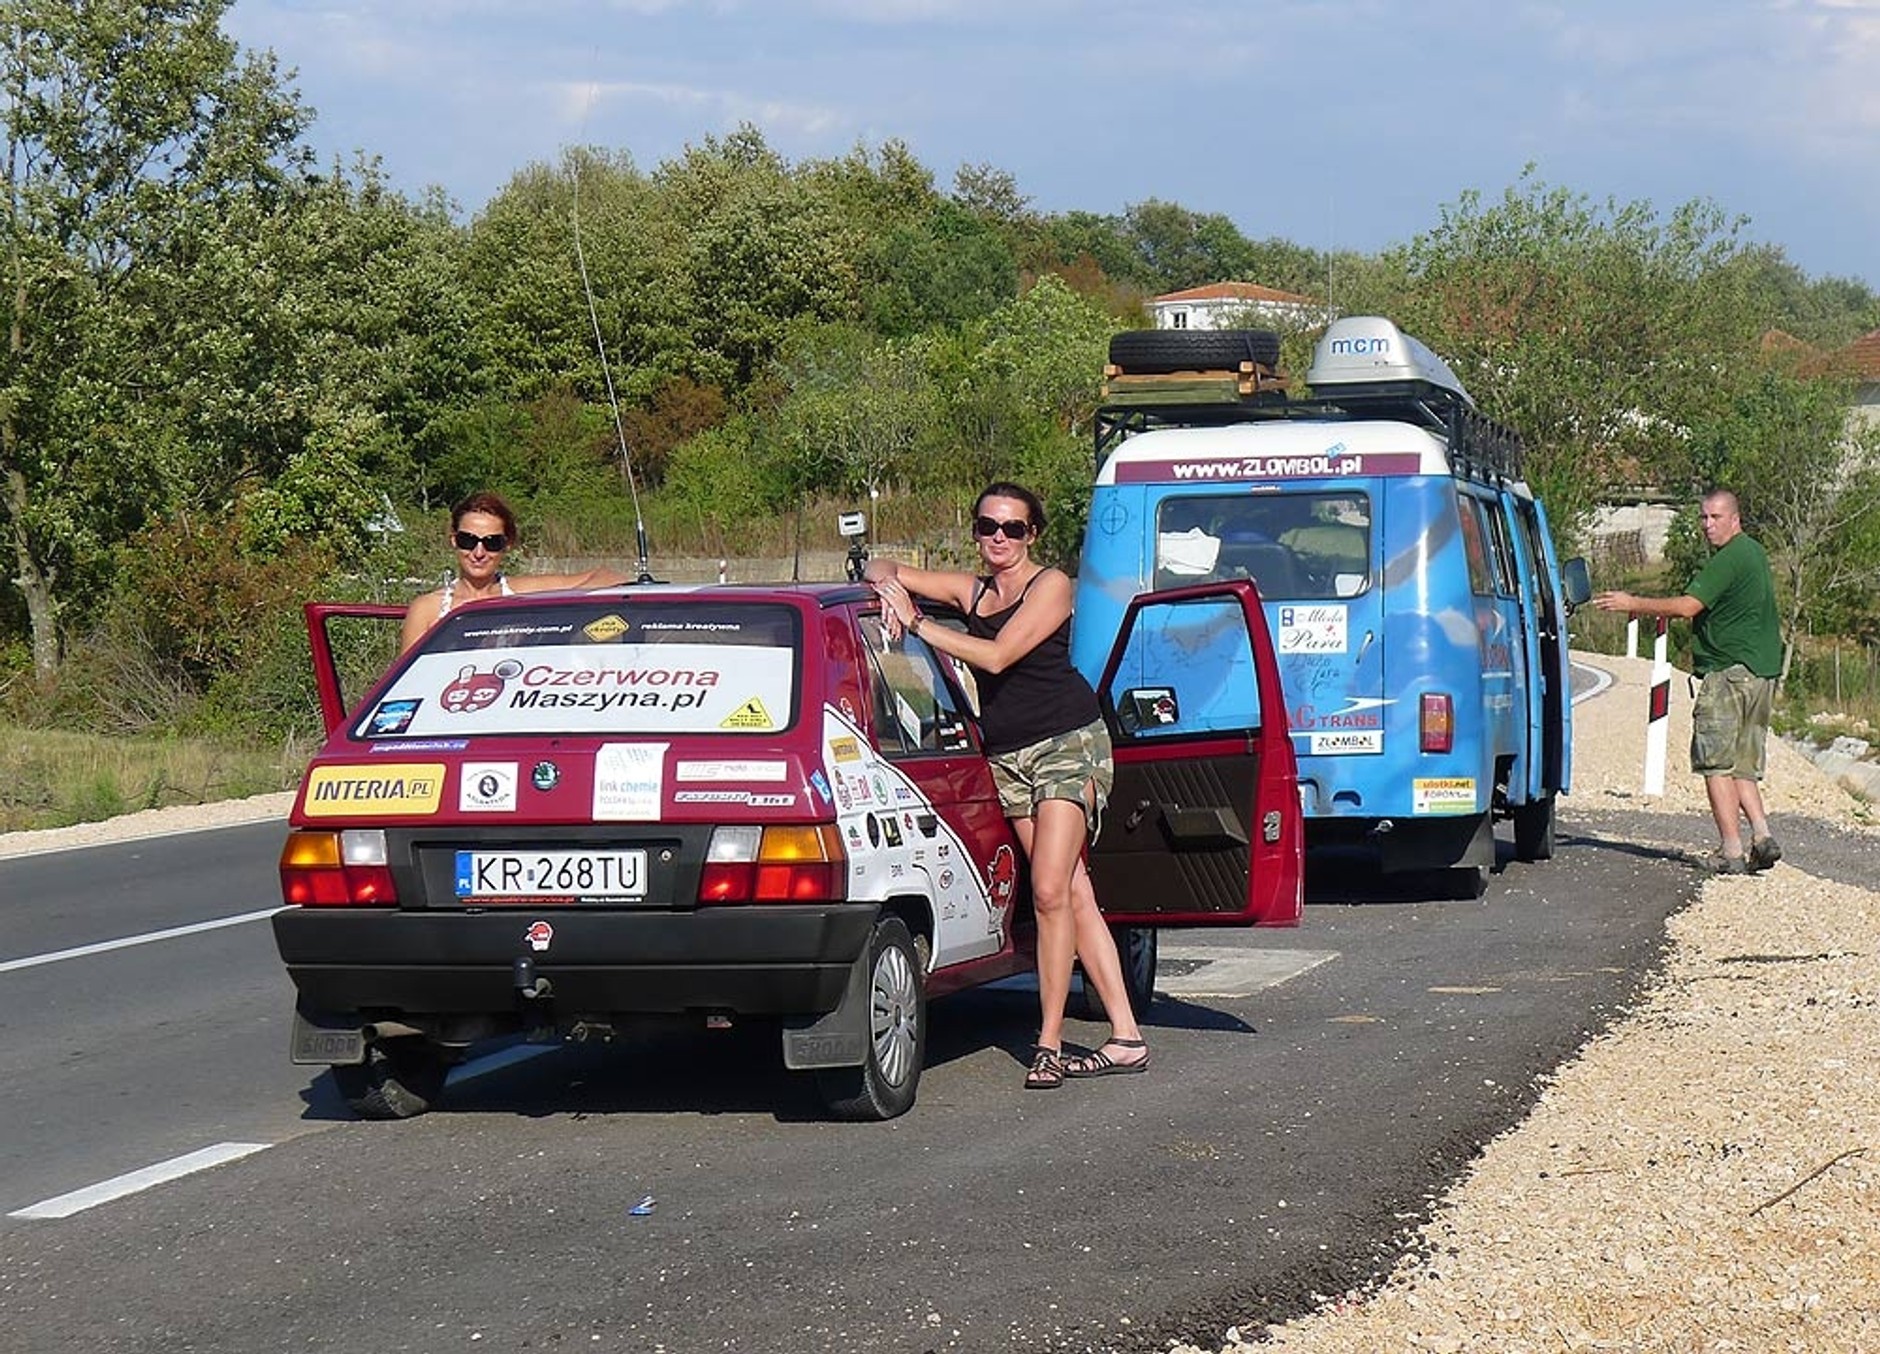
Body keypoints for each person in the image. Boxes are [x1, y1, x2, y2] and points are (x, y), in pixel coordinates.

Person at [865, 482, 1148, 1089]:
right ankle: (1126, 1036)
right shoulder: (971, 590)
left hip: (1068, 745)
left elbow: (997, 658)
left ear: (1032, 535)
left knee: (1047, 889)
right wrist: (888, 586)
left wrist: (918, 624)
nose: (999, 538)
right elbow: (881, 565)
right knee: (1072, 892)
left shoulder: (1053, 586)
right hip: (1008, 757)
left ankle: (1046, 1042)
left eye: (1012, 529)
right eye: (987, 527)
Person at [1594, 489, 1783, 875]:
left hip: (1729, 672)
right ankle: (1762, 836)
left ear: (1735, 518)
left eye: (1715, 518)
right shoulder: (1755, 553)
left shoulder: (1729, 559)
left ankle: (1730, 850)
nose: (1707, 526)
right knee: (1742, 765)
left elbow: (1687, 607)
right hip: (1761, 673)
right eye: (1703, 518)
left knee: (1716, 762)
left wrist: (1633, 603)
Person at [399, 491, 628, 652]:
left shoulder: (523, 594)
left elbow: (609, 577)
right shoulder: (427, 609)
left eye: (492, 543)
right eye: (468, 540)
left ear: (508, 545)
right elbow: (407, 682)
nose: (479, 552)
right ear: (453, 540)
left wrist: (555, 608)